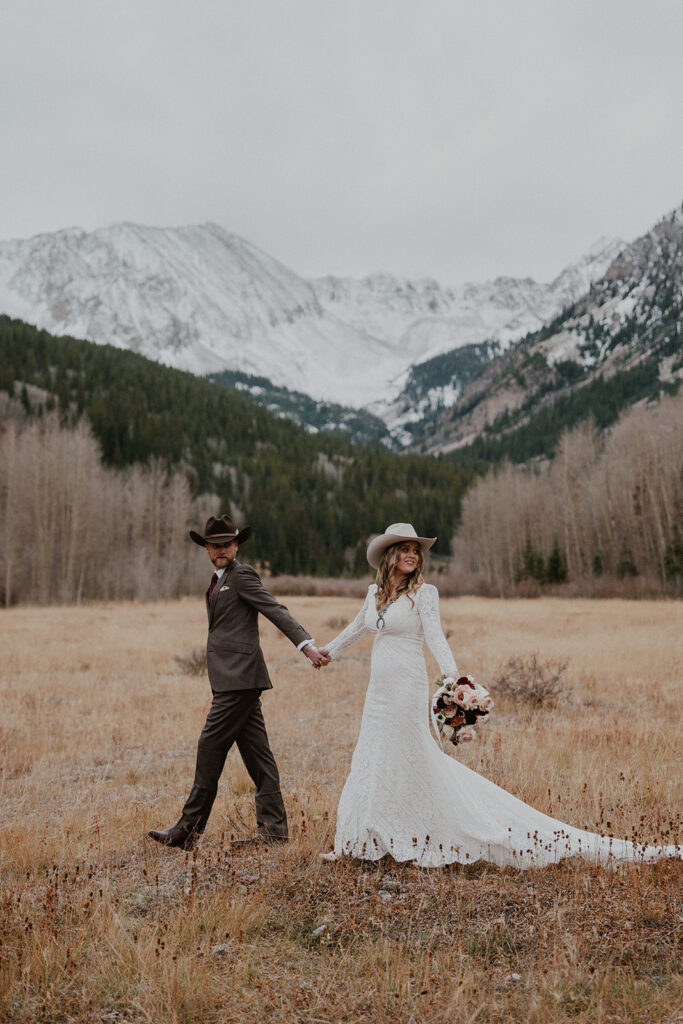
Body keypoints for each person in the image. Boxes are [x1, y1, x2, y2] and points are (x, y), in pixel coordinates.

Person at [319, 523, 681, 868]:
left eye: (416, 550)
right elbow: (355, 629)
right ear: (391, 554)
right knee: (373, 753)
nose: (412, 555)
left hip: (406, 687)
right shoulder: (375, 593)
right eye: (406, 550)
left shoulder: (423, 594)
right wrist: (326, 652)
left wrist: (455, 681)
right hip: (378, 693)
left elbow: (436, 638)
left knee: (412, 755)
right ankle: (360, 842)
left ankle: (425, 833)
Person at [148, 514, 328, 851]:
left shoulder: (242, 575)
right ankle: (274, 829)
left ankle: (187, 830)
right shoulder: (218, 580)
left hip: (240, 681)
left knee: (209, 746)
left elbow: (275, 609)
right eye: (214, 545)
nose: (221, 550)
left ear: (236, 545)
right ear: (206, 549)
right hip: (233, 679)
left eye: (227, 544)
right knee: (259, 757)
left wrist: (307, 646)